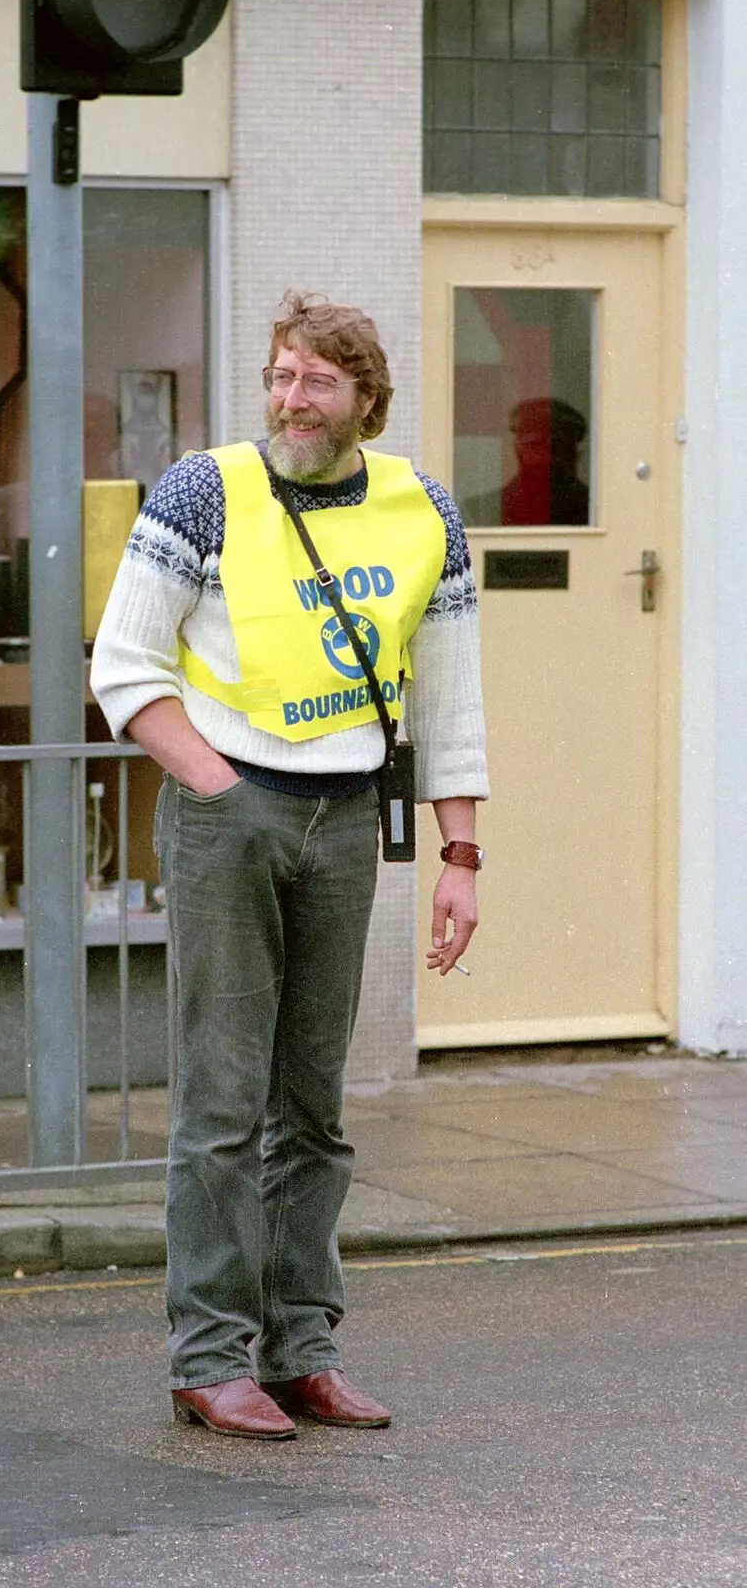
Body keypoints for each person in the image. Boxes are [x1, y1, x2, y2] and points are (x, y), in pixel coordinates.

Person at [91, 293, 488, 1441]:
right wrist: (221, 789)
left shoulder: (426, 514)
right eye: (278, 376)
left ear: (368, 398)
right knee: (222, 1100)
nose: (290, 400)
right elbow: (126, 668)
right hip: (232, 814)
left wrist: (461, 852)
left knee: (313, 1106)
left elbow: (450, 701)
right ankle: (210, 1357)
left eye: (317, 382)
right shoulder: (204, 490)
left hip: (347, 817)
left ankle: (303, 1346)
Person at [464, 397, 590, 528]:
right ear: (518, 449)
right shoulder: (480, 511)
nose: (546, 456)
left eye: (558, 446)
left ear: (575, 452)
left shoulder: (598, 511)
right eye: (536, 445)